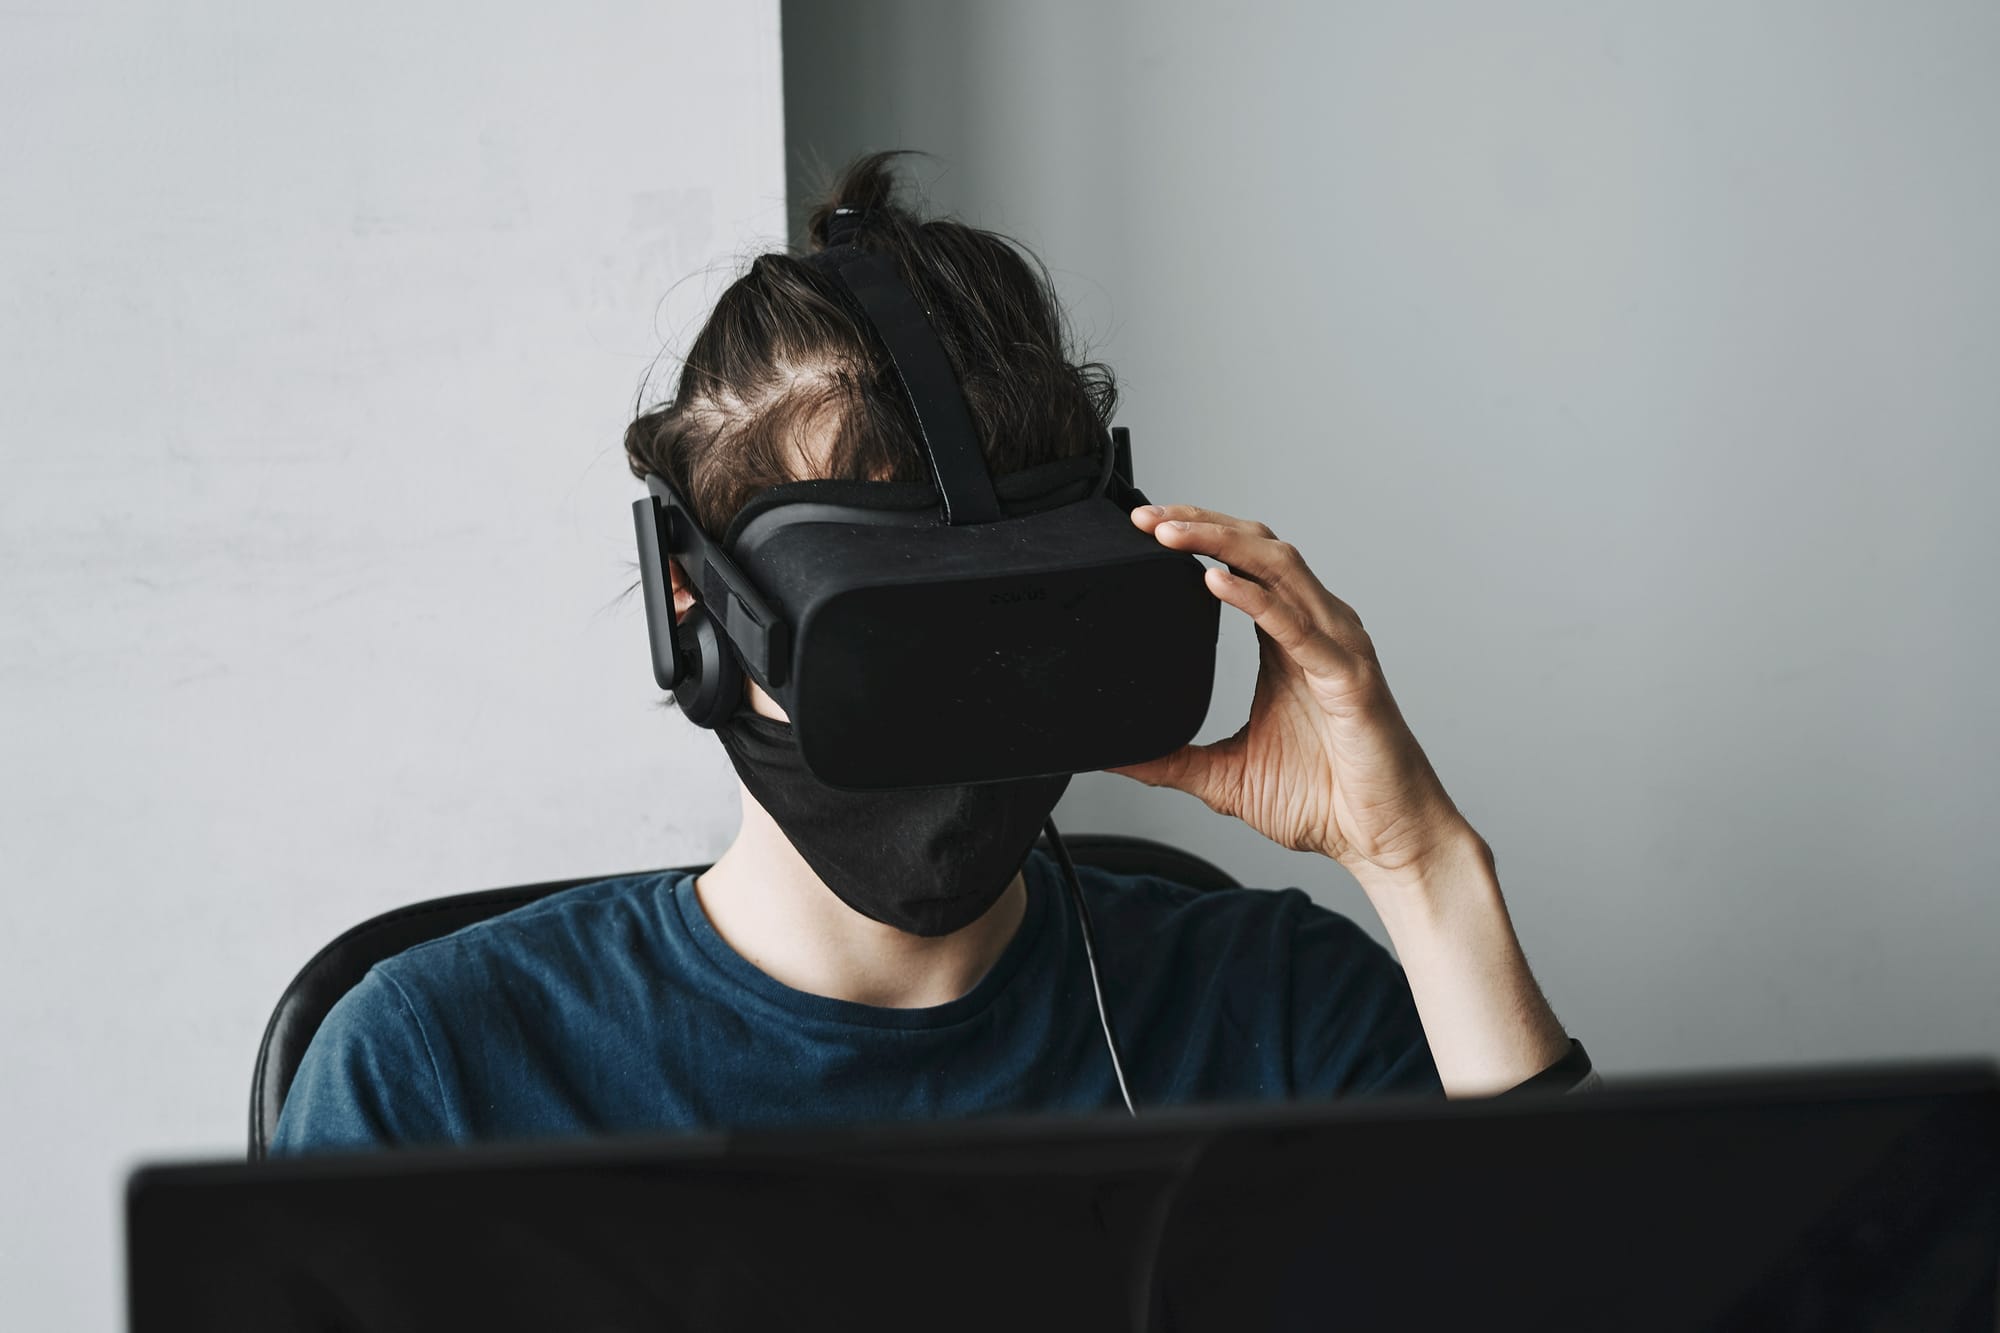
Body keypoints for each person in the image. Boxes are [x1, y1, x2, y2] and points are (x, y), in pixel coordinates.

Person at [272, 151, 1592, 1155]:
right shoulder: (436, 1072)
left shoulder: (1283, 1012)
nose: (956, 721)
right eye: (888, 634)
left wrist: (1417, 861)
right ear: (695, 606)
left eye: (1009, 623)